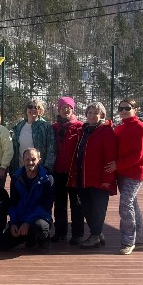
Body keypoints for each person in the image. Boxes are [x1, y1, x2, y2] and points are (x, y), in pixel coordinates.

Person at [68, 102, 117, 249]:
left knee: (98, 209)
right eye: (89, 112)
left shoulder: (106, 131)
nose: (91, 115)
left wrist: (107, 180)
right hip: (83, 178)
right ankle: (98, 234)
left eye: (95, 113)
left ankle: (95, 236)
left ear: (102, 115)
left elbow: (110, 157)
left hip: (100, 179)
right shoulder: (85, 130)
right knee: (86, 208)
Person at [106, 99, 143, 255]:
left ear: (135, 109)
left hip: (135, 173)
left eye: (127, 108)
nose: (124, 111)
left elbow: (139, 155)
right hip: (122, 173)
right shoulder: (120, 127)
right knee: (132, 204)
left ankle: (128, 241)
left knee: (126, 204)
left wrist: (117, 165)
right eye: (121, 108)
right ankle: (141, 239)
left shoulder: (141, 128)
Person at [3, 148, 54, 254]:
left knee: (40, 227)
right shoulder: (16, 177)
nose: (30, 162)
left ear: (39, 160)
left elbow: (46, 206)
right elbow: (13, 203)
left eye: (33, 159)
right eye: (27, 159)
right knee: (2, 244)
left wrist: (28, 222)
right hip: (21, 219)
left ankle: (43, 241)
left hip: (39, 218)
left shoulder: (47, 179)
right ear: (23, 160)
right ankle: (29, 238)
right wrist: (13, 223)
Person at [51, 97, 84, 245]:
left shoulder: (80, 127)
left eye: (68, 107)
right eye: (63, 107)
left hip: (74, 172)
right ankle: (60, 233)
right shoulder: (54, 128)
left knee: (76, 204)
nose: (66, 110)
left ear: (73, 109)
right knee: (59, 204)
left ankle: (77, 234)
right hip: (58, 171)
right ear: (58, 110)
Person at [10, 99, 55, 174]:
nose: (33, 109)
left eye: (36, 107)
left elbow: (51, 149)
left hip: (39, 170)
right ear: (26, 110)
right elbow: (14, 148)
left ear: (40, 111)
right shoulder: (19, 127)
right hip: (20, 169)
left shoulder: (46, 127)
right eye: (30, 107)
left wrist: (46, 168)